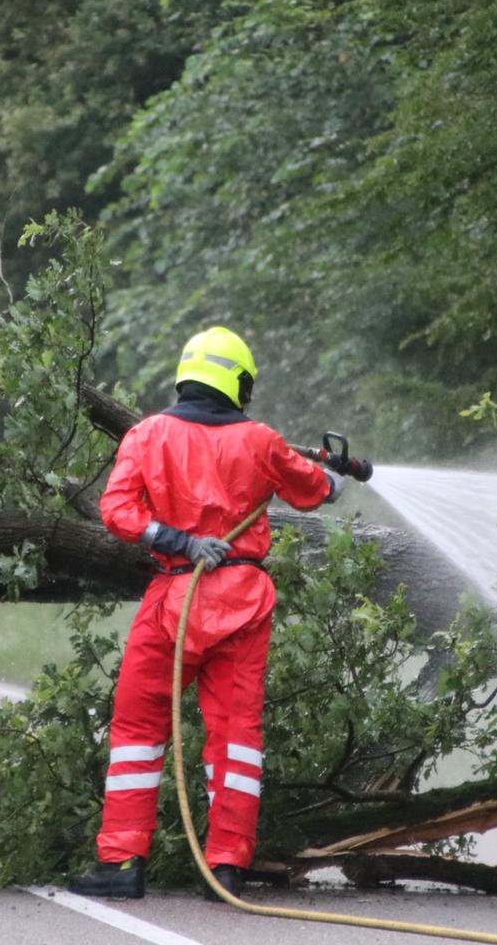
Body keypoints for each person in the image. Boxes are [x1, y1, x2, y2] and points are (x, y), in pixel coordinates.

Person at [69, 326, 340, 900]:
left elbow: (116, 510)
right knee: (236, 737)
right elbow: (311, 489)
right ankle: (226, 869)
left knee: (139, 729)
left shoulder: (146, 435)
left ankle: (121, 866)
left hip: (172, 598)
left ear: (187, 376)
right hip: (242, 600)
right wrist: (337, 479)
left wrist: (176, 539)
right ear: (239, 382)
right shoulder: (260, 440)